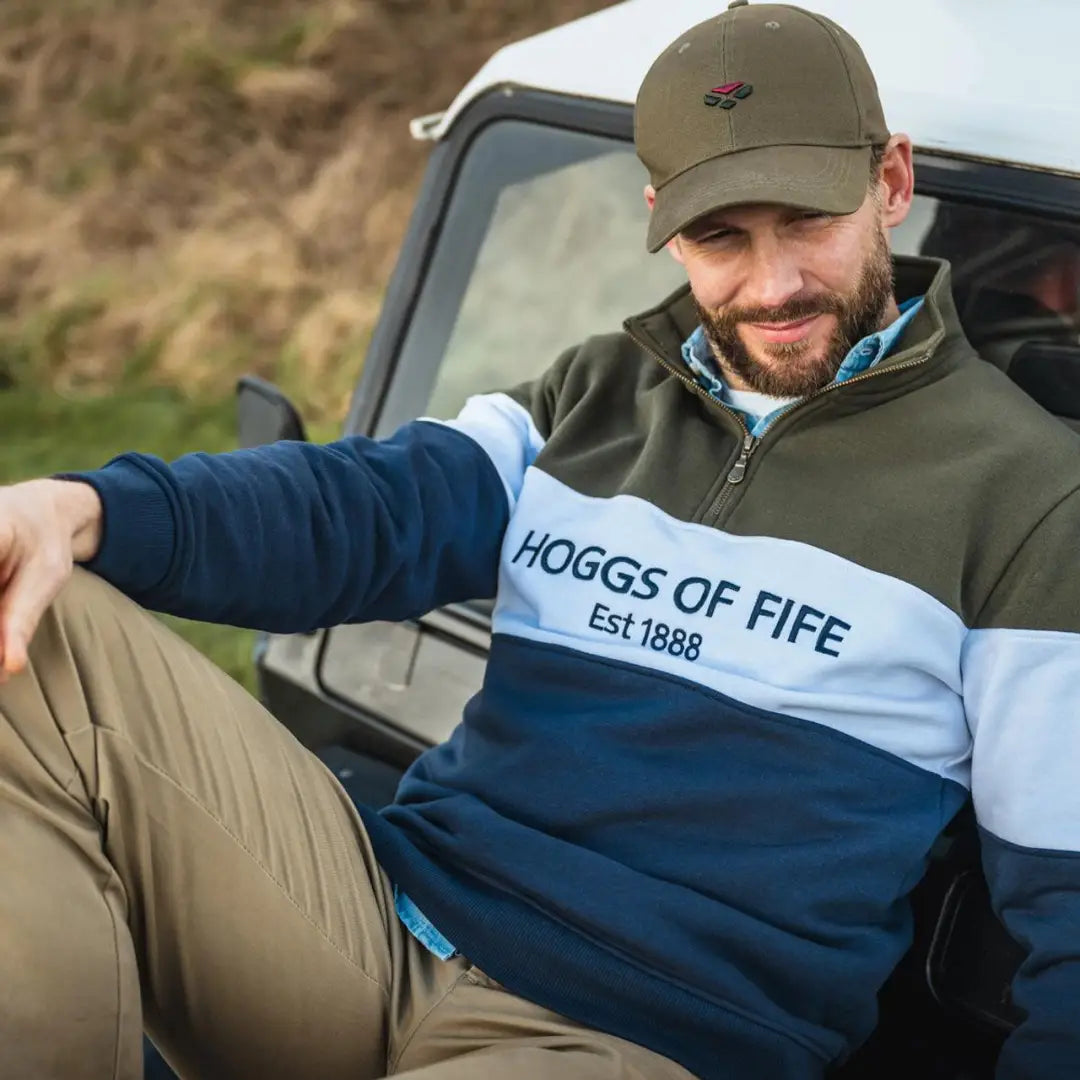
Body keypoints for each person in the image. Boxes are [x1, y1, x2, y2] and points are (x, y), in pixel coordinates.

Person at [1, 4, 1078, 1079]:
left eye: (806, 219)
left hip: (620, 1037)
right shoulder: (598, 391)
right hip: (374, 924)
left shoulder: (1030, 497)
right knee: (31, 624)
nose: (773, 284)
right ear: (661, 217)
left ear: (890, 183)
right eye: (721, 236)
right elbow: (371, 507)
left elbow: (1069, 905)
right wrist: (73, 510)